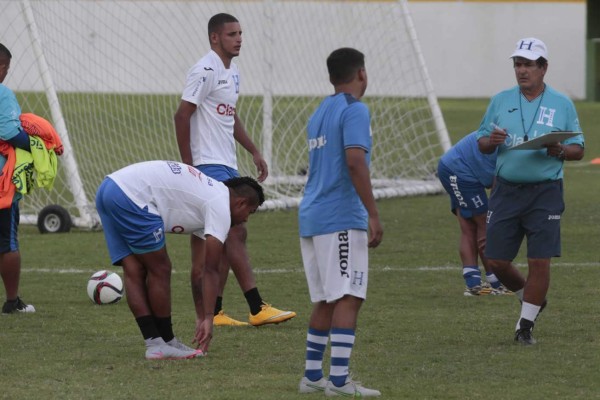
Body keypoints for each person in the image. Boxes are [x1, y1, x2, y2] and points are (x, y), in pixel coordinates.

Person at [174, 13, 295, 327]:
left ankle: (214, 313)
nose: (239, 38)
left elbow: (230, 116)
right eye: (231, 34)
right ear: (215, 38)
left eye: (240, 33)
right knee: (235, 230)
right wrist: (190, 168)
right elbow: (182, 116)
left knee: (216, 242)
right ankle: (255, 307)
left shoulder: (234, 72)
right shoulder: (204, 70)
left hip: (226, 163)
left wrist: (253, 150)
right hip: (207, 165)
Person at [95, 160, 265, 358]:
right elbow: (211, 269)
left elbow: (199, 270)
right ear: (241, 202)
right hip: (131, 196)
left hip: (109, 187)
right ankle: (166, 341)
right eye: (249, 212)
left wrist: (201, 316)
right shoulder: (220, 206)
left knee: (134, 269)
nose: (246, 219)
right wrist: (210, 318)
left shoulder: (210, 195)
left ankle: (154, 343)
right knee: (161, 268)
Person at [477, 38, 584, 345]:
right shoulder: (500, 100)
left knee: (540, 260)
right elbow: (482, 144)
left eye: (528, 65)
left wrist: (561, 150)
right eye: (518, 65)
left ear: (543, 68)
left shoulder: (562, 103)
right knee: (495, 259)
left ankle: (525, 326)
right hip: (506, 190)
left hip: (545, 191)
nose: (522, 71)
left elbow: (578, 149)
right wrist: (491, 141)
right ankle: (530, 299)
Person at [297, 48, 383, 397]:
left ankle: (313, 376)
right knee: (349, 296)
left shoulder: (320, 112)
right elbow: (354, 162)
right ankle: (338, 382)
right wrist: (373, 213)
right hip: (340, 216)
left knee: (327, 299)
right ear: (361, 73)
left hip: (312, 215)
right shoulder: (355, 110)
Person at [437, 131, 511, 296]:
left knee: (469, 226)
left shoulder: (510, 129)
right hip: (459, 170)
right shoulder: (514, 142)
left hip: (452, 166)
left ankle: (474, 284)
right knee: (485, 223)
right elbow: (498, 185)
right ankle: (496, 283)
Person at [0, 43, 35, 314]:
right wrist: (37, 144)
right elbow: (10, 132)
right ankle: (12, 302)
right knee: (7, 243)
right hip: (2, 185)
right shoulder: (2, 93)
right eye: (7, 68)